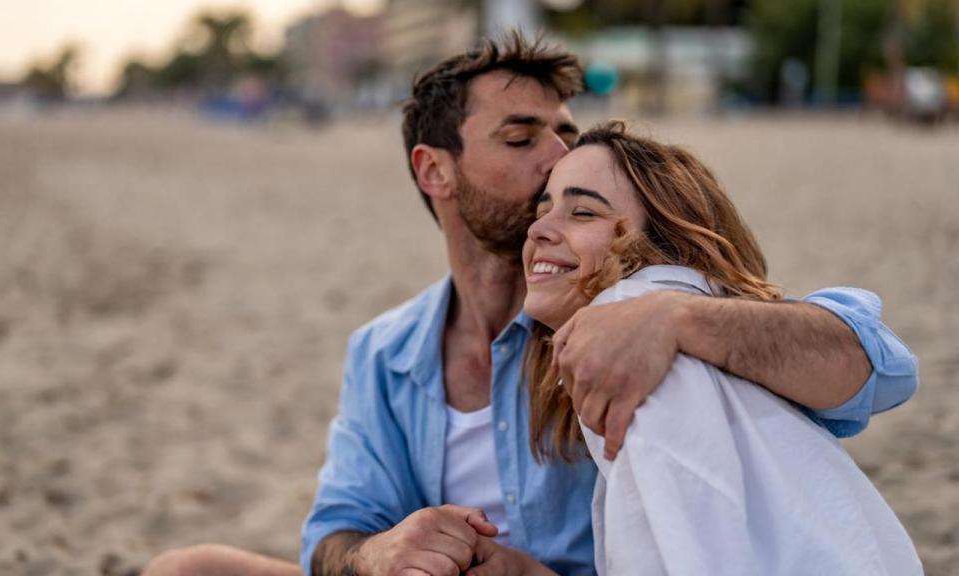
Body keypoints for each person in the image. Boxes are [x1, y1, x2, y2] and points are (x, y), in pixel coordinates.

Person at [142, 34, 918, 576]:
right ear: (434, 171)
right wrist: (380, 553)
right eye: (521, 139)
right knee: (188, 568)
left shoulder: (622, 302)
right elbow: (332, 532)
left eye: (564, 133)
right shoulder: (385, 351)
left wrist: (680, 319)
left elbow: (876, 368)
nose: (556, 155)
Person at [518, 121, 921, 575]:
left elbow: (689, 548)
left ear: (657, 242)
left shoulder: (630, 321)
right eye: (542, 210)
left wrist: (671, 317)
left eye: (583, 213)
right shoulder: (675, 316)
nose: (538, 231)